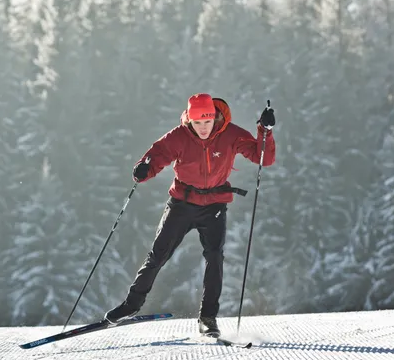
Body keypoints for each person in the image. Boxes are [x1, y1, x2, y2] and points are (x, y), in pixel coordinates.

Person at [104, 93, 276, 337]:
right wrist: (143, 170)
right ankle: (130, 305)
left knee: (215, 258)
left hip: (214, 205)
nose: (203, 128)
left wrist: (264, 131)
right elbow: (156, 155)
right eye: (197, 123)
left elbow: (264, 158)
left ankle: (208, 319)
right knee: (158, 255)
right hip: (182, 204)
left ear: (215, 118)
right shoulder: (178, 136)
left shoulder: (231, 134)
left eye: (207, 122)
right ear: (189, 120)